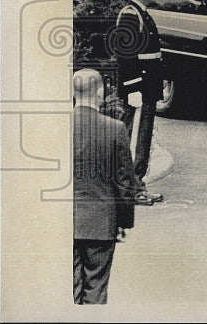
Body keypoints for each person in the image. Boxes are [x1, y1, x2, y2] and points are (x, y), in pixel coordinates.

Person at [73, 68, 140, 304]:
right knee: (96, 289)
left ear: (74, 92)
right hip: (101, 225)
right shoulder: (115, 129)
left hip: (64, 223)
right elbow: (124, 181)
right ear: (100, 92)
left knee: (68, 291)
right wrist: (124, 222)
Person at [109, 0, 166, 206]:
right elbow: (126, 54)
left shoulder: (141, 13)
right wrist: (132, 88)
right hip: (139, 90)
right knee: (135, 141)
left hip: (146, 89)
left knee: (141, 140)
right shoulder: (131, 14)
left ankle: (136, 185)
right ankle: (132, 189)